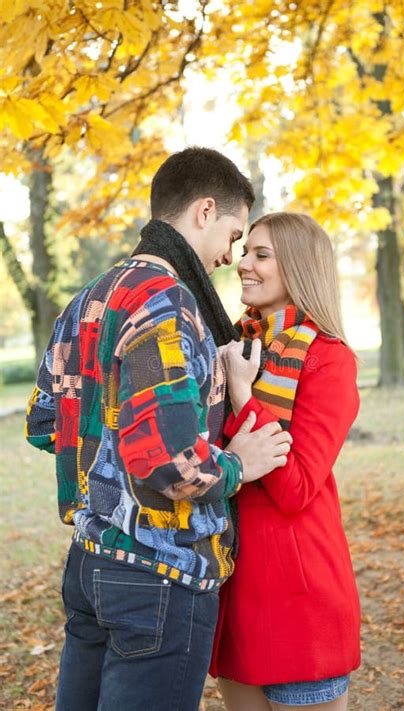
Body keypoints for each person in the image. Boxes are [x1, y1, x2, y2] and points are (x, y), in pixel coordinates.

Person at [24, 148, 293, 711]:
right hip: (160, 574)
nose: (230, 255)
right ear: (204, 210)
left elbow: (46, 422)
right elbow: (170, 464)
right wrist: (239, 461)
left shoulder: (89, 298)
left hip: (89, 564)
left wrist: (114, 456)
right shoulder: (166, 304)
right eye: (233, 234)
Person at [210, 212, 361, 710]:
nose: (241, 264)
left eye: (261, 254)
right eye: (244, 251)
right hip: (235, 586)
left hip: (297, 596)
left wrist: (240, 394)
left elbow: (295, 488)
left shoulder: (328, 359)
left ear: (297, 266)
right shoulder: (235, 347)